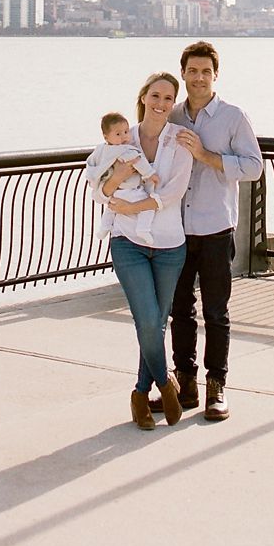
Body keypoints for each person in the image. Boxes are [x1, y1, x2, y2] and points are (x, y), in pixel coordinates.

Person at [92, 72, 194, 430]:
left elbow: (172, 194)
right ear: (144, 97)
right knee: (146, 320)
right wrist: (117, 178)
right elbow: (98, 188)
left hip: (168, 246)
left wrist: (134, 206)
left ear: (173, 103)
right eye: (155, 95)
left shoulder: (181, 142)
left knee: (154, 324)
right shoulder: (121, 136)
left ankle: (139, 394)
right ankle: (165, 385)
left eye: (168, 98)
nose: (161, 103)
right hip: (127, 242)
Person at [168, 40, 262, 422]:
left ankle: (216, 387)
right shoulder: (171, 115)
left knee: (216, 312)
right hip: (174, 229)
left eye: (206, 71)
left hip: (216, 227)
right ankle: (185, 384)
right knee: (179, 311)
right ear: (183, 74)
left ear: (215, 75)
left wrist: (206, 156)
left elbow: (254, 166)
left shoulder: (233, 117)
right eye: (193, 71)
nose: (199, 78)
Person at [85, 111, 158, 245]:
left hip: (116, 191)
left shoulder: (101, 150)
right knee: (148, 206)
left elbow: (91, 164)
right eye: (118, 134)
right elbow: (138, 161)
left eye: (126, 131)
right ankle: (143, 229)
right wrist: (150, 174)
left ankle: (104, 228)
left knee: (111, 208)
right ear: (106, 137)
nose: (124, 137)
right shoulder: (125, 150)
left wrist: (93, 177)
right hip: (131, 190)